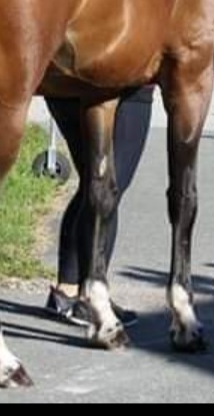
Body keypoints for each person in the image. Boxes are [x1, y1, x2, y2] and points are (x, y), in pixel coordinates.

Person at [44, 86, 155, 326]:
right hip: (128, 84)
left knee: (93, 185)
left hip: (63, 84)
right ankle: (89, 293)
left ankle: (68, 289)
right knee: (108, 187)